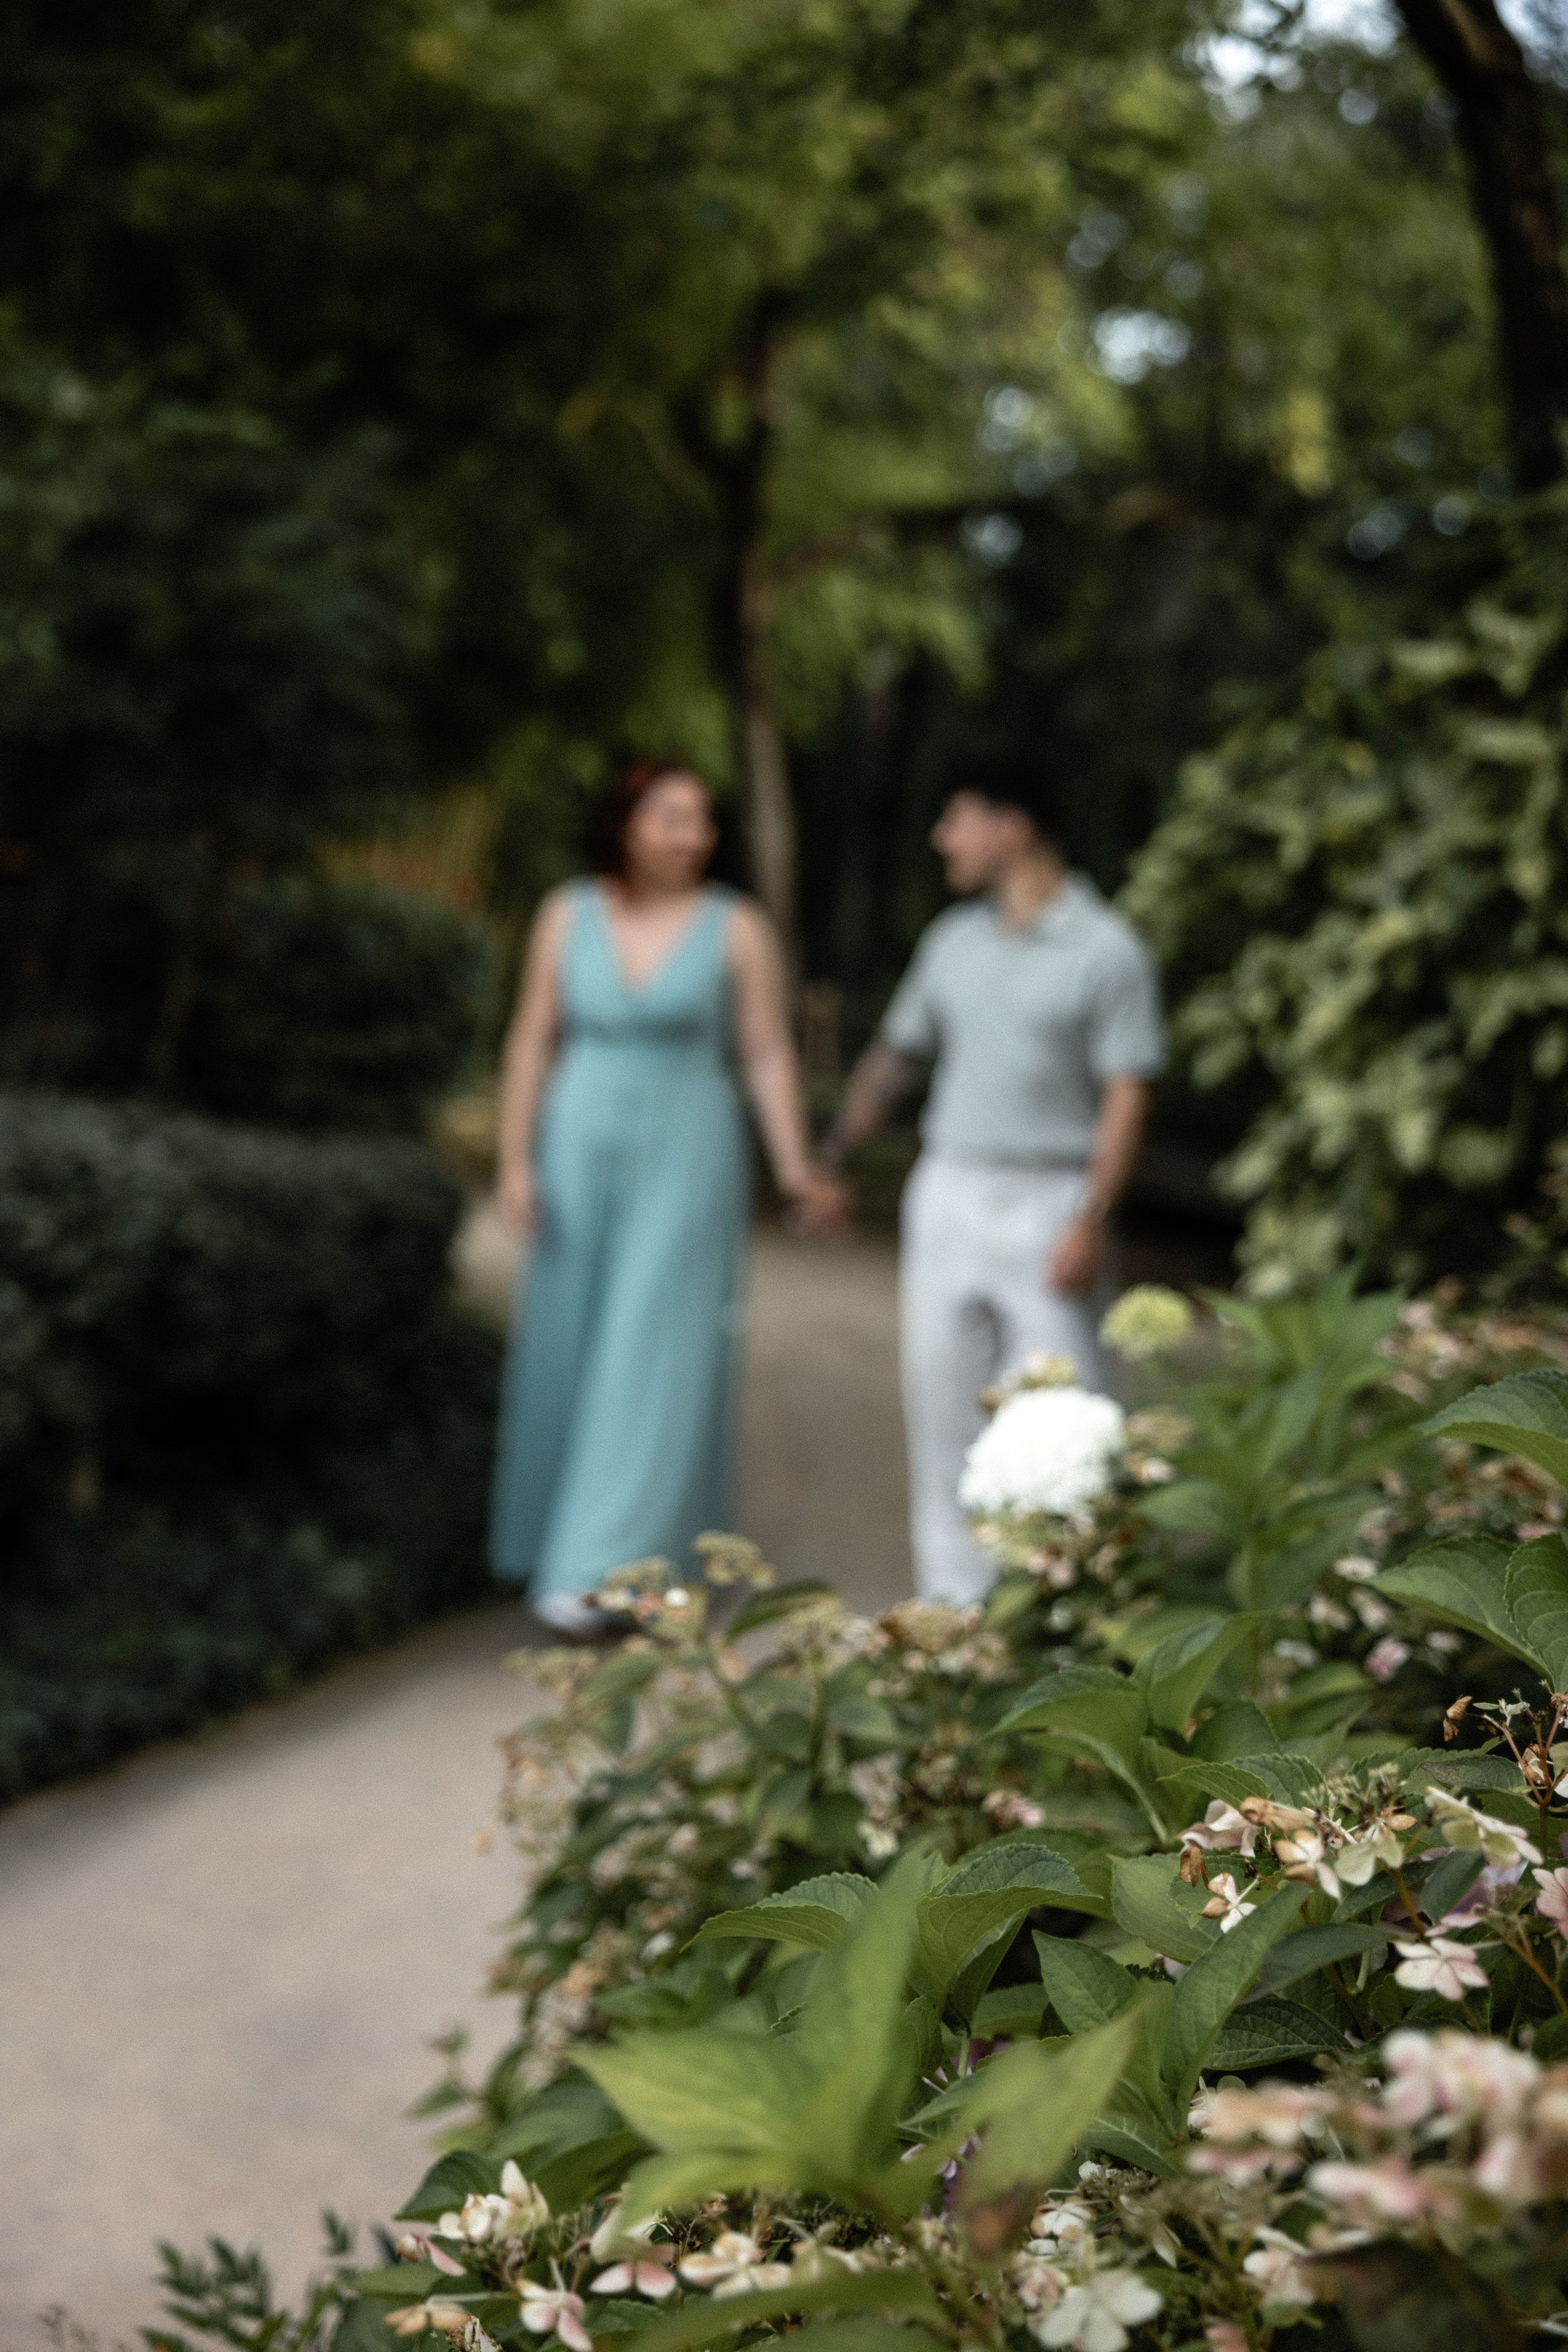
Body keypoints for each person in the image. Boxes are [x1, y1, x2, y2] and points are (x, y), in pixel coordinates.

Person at [490, 761, 843, 1633]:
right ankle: (555, 1539)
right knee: (569, 1337)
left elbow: (765, 1053)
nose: (694, 835)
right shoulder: (566, 914)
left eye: (703, 819)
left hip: (688, 1150)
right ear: (628, 824)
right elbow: (533, 1039)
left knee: (656, 1347)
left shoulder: (736, 927)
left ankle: (605, 1567)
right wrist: (513, 1162)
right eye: (673, 817)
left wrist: (795, 1166)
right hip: (579, 1142)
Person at [818, 750, 1164, 1607]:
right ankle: (957, 1617)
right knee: (943, 1415)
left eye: (958, 817)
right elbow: (895, 1061)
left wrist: (1093, 1217)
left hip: (1052, 1199)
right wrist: (826, 1160)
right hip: (948, 1191)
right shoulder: (951, 942)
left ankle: (1061, 1613)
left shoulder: (1108, 949)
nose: (944, 838)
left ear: (1012, 827)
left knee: (1066, 1417)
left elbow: (1127, 1096)